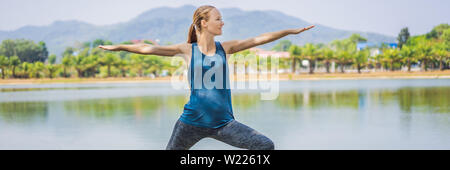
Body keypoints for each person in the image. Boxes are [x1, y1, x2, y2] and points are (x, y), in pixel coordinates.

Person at [99, 5, 314, 150]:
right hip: (190, 123)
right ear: (203, 23)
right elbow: (147, 48)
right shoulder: (186, 50)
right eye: (218, 19)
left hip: (224, 124)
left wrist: (289, 32)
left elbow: (259, 39)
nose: (223, 23)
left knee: (266, 146)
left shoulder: (226, 48)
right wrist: (119, 47)